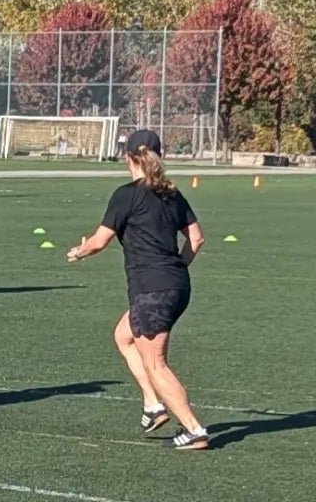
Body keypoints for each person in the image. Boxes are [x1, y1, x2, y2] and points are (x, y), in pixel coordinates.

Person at [65, 129, 209, 449]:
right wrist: (176, 268)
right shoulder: (172, 194)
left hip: (151, 290)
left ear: (129, 158)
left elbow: (99, 242)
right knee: (123, 335)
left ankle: (194, 429)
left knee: (156, 363)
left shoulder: (126, 194)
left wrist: (78, 251)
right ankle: (152, 404)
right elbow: (196, 239)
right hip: (176, 285)